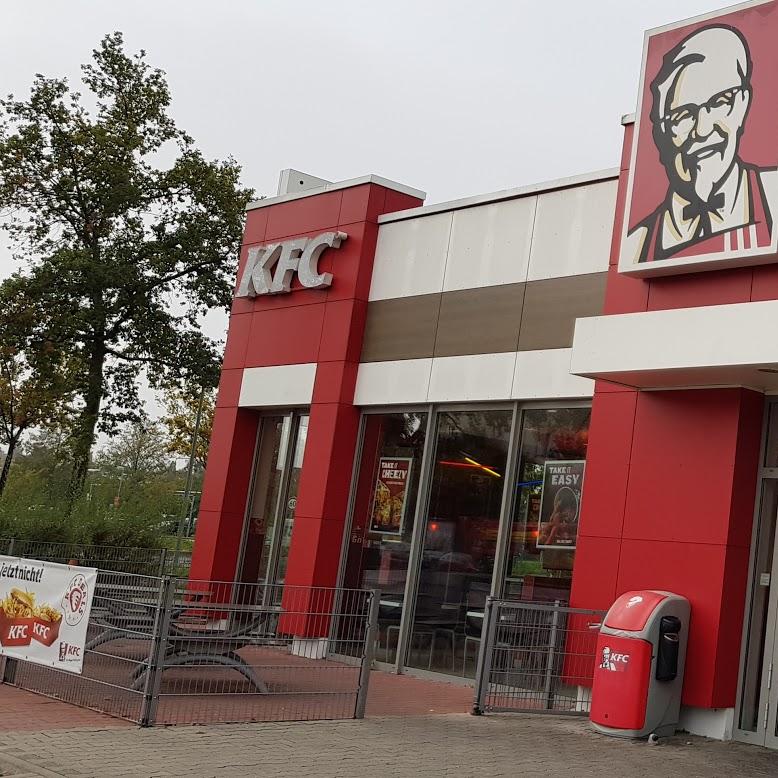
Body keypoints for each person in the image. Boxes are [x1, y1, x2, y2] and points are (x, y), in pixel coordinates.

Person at [624, 25, 778, 263]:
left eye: (720, 102)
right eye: (683, 115)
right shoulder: (636, 246)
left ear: (743, 105)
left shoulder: (773, 194)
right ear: (661, 131)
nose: (703, 129)